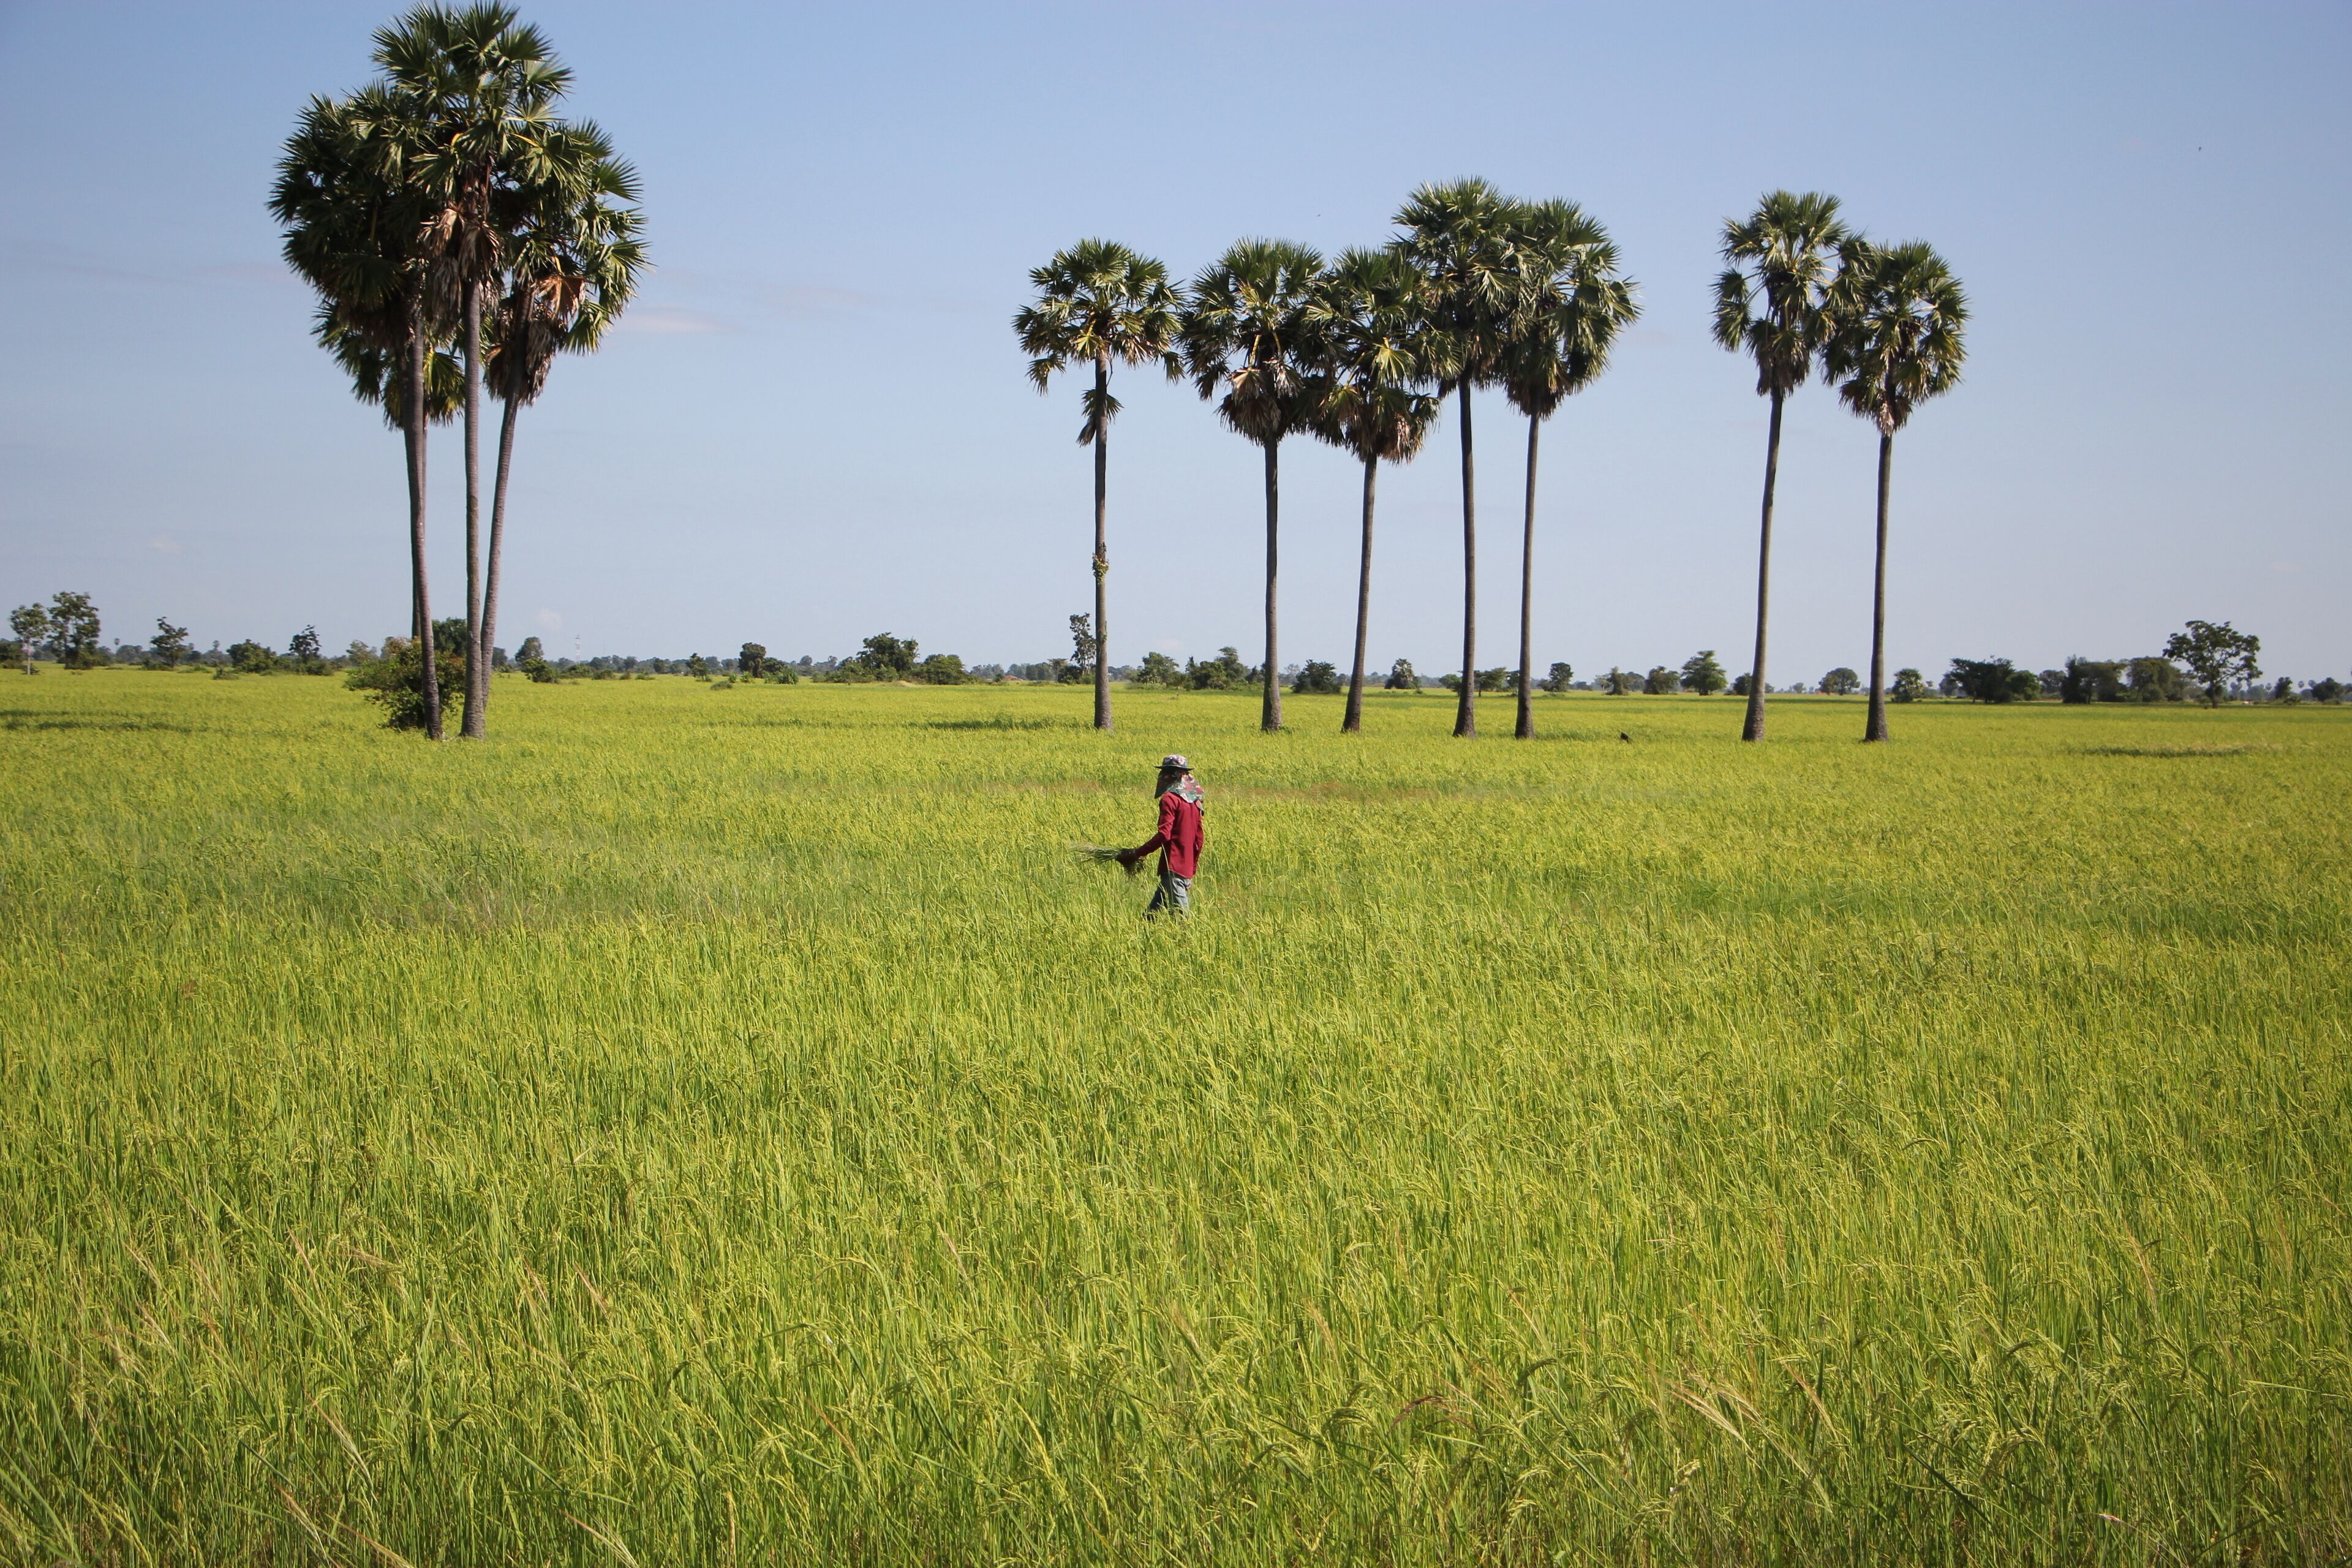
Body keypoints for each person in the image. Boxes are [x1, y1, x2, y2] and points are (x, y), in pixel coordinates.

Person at [1118, 753, 1204, 916]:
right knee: (1151, 917)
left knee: (1181, 919)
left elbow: (1164, 834)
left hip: (1173, 868)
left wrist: (1136, 854)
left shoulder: (1170, 799)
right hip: (1183, 870)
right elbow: (1199, 840)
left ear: (1169, 775)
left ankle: (1184, 942)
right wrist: (1191, 871)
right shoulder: (1195, 802)